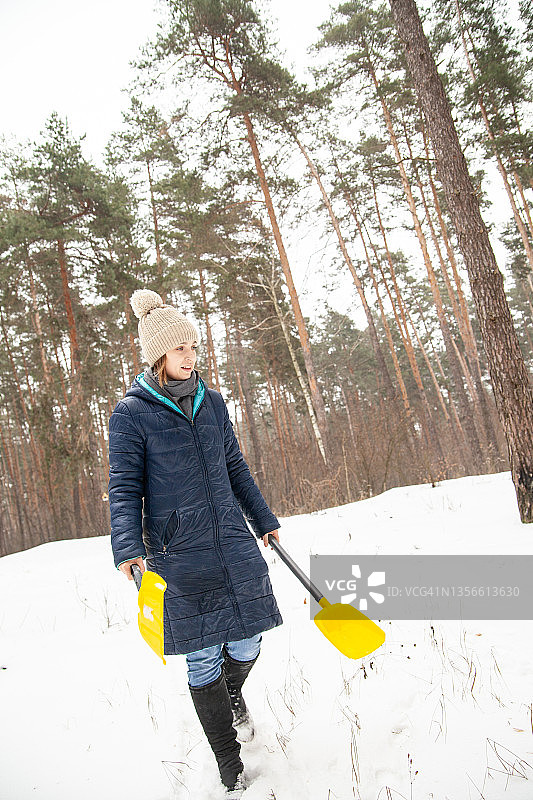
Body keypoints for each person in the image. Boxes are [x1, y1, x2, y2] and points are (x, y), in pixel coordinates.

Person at [108, 288, 283, 798]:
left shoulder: (214, 403)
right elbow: (123, 486)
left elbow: (234, 466)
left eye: (193, 345)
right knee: (202, 655)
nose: (191, 354)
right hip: (176, 550)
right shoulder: (131, 414)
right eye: (180, 347)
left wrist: (263, 518)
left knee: (249, 637)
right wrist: (127, 546)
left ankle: (233, 695)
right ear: (158, 354)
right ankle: (229, 763)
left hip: (230, 538)